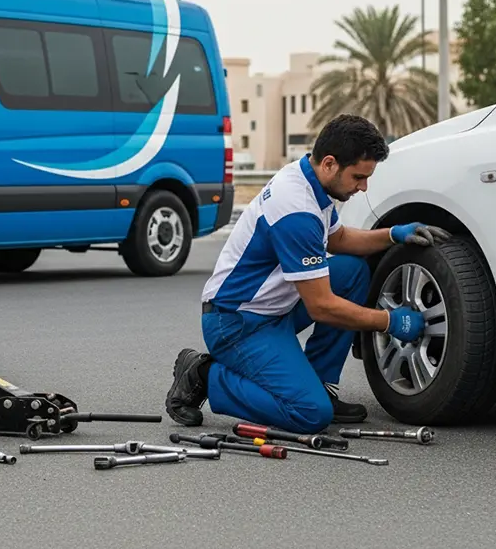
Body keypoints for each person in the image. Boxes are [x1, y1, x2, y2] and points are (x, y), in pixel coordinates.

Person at [165, 114, 450, 433]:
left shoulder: (309, 181)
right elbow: (322, 306)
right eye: (358, 177)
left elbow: (337, 239)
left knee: (352, 271)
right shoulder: (296, 209)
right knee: (309, 413)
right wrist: (389, 321)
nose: (363, 186)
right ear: (330, 163)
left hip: (273, 310)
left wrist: (392, 234)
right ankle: (204, 375)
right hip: (237, 325)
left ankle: (320, 383)